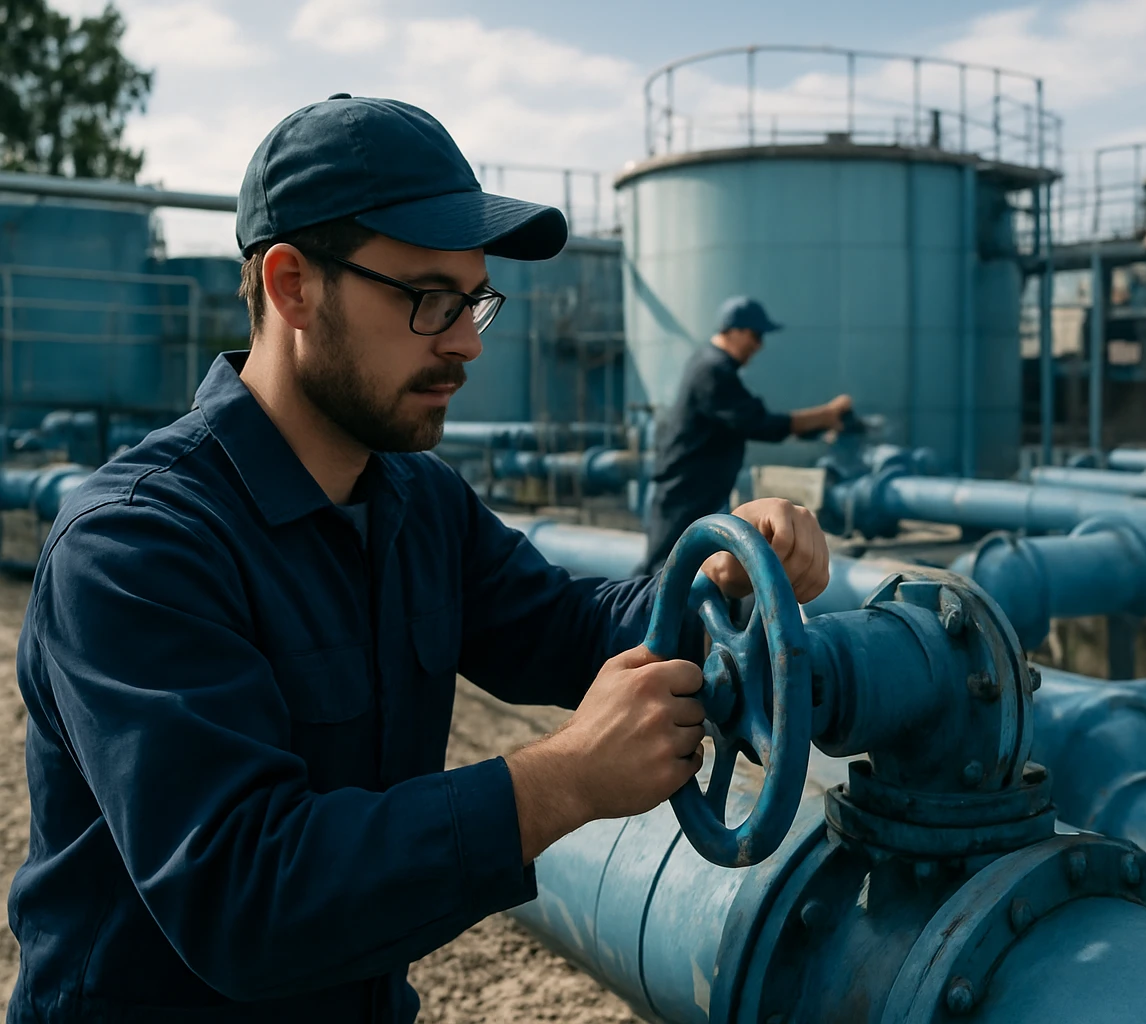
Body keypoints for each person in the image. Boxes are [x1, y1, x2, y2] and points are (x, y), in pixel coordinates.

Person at [6, 95, 832, 1024]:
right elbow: (247, 898)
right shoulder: (137, 546)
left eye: (474, 300)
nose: (466, 343)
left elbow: (563, 628)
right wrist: (563, 780)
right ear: (291, 286)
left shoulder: (414, 499)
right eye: (428, 300)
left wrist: (718, 575)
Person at [639, 296, 852, 575]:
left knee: (683, 568)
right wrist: (825, 415)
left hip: (694, 490)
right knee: (665, 571)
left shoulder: (710, 363)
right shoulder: (713, 370)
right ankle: (633, 617)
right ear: (733, 330)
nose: (759, 345)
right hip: (687, 493)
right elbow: (758, 424)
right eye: (755, 335)